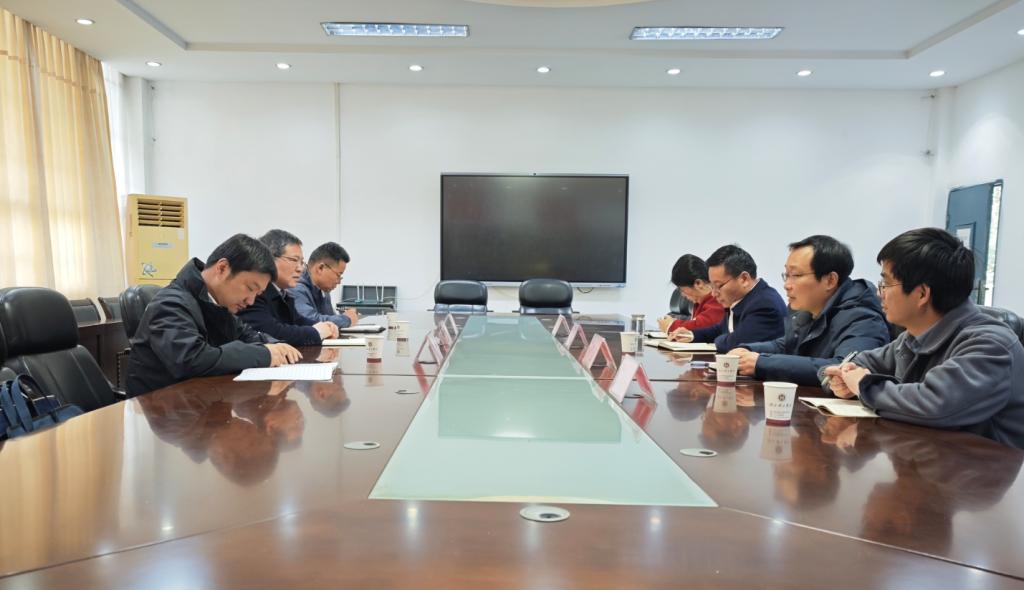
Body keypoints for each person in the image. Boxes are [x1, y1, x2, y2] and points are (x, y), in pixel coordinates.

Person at [822, 228, 1024, 449]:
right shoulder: (914, 335)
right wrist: (843, 376)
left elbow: (936, 404)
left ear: (921, 294)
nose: (880, 293)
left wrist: (864, 386)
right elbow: (862, 363)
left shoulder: (991, 344)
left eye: (886, 284)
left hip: (980, 466)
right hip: (928, 457)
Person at [127, 234, 301, 396]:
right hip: (161, 407)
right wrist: (264, 354)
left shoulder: (216, 303)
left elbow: (247, 334)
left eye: (258, 294)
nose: (251, 301)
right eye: (250, 288)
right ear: (222, 268)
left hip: (199, 400)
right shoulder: (170, 304)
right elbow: (191, 360)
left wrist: (276, 346)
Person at [727, 235, 890, 385]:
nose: (786, 285)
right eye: (786, 275)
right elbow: (786, 344)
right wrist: (748, 350)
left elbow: (843, 369)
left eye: (795, 275)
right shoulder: (809, 310)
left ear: (830, 280)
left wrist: (761, 363)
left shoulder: (863, 317)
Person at [669, 244, 787, 352]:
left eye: (718, 286)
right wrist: (691, 335)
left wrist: (721, 339)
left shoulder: (765, 304)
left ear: (744, 279)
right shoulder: (740, 299)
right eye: (712, 286)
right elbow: (718, 329)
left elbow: (734, 343)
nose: (714, 294)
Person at [238, 229, 340, 346]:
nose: (300, 269)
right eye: (294, 260)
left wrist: (324, 326)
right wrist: (317, 332)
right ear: (269, 259)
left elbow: (297, 320)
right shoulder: (255, 292)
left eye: (301, 262)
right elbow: (273, 332)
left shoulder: (283, 292)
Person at [292, 241, 359, 329]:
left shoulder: (323, 290)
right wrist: (347, 319)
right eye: (338, 275)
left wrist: (348, 317)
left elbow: (330, 319)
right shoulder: (296, 287)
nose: (339, 282)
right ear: (321, 268)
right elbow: (308, 320)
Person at [656, 254, 725, 334]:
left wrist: (671, 326)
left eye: (682, 290)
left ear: (698, 283)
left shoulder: (717, 299)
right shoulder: (701, 302)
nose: (683, 295)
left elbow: (701, 326)